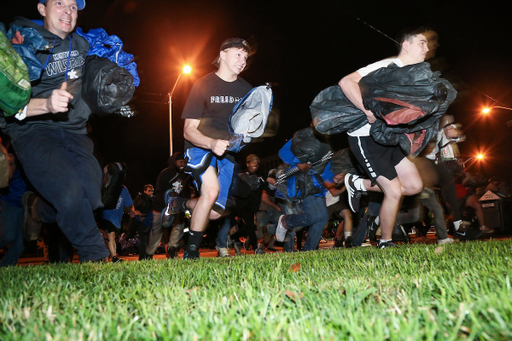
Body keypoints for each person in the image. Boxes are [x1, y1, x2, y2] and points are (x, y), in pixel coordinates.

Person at [0, 0, 110, 262]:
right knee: (70, 194)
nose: (67, 11)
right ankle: (94, 256)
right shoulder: (20, 43)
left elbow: (99, 80)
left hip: (75, 132)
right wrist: (46, 104)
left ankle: (37, 209)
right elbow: (7, 101)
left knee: (92, 199)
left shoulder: (84, 44)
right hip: (33, 131)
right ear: (42, 10)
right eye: (59, 3)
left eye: (73, 7)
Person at [339, 26, 427, 249]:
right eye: (421, 43)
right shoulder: (388, 65)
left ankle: (358, 183)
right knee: (394, 190)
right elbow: (346, 81)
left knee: (415, 185)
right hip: (365, 138)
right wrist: (366, 110)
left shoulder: (409, 75)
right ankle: (386, 242)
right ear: (406, 46)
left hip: (387, 137)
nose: (426, 48)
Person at [171, 38, 253, 259]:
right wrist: (210, 143)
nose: (242, 60)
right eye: (238, 54)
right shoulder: (203, 85)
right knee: (211, 190)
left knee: (215, 213)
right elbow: (188, 130)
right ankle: (191, 252)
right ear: (223, 54)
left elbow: (247, 126)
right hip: (200, 147)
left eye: (245, 57)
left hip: (228, 154)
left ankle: (181, 203)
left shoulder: (248, 90)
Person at [146, 152, 194, 259]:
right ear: (174, 162)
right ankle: (149, 255)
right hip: (161, 207)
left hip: (177, 207)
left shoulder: (186, 175)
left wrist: (185, 203)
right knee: (156, 232)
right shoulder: (165, 173)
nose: (182, 164)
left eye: (184, 162)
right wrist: (168, 198)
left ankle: (172, 248)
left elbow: (186, 191)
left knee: (179, 226)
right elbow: (159, 190)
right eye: (180, 161)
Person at [229, 154, 277, 255]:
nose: (255, 164)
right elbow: (237, 187)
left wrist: (276, 186)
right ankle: (256, 248)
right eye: (252, 162)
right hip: (242, 204)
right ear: (247, 164)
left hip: (253, 205)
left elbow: (268, 189)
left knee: (250, 228)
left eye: (257, 162)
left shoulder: (261, 176)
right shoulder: (241, 175)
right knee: (250, 225)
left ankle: (232, 237)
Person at [98, 185, 135, 263]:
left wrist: (132, 210)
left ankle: (106, 260)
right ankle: (114, 257)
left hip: (117, 220)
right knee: (111, 234)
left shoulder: (123, 189)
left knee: (110, 238)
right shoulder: (105, 186)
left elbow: (130, 204)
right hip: (105, 215)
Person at [129, 184, 154, 260]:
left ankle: (147, 258)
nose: (150, 193)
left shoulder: (152, 199)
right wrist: (138, 214)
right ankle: (143, 258)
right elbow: (133, 208)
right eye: (149, 191)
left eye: (152, 191)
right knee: (144, 242)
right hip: (143, 223)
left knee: (148, 242)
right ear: (144, 191)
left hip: (149, 222)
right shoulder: (140, 199)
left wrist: (141, 214)